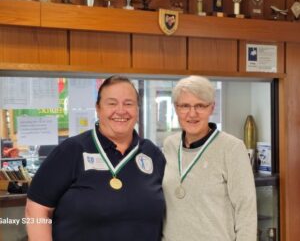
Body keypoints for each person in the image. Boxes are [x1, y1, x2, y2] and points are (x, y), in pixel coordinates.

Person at [25, 75, 166, 241]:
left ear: (137, 109)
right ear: (98, 109)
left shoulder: (152, 154)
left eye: (128, 103)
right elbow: (36, 209)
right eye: (112, 103)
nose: (121, 110)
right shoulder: (71, 151)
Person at [162, 75, 257, 241]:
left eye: (200, 105)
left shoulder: (232, 148)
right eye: (185, 106)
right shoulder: (169, 145)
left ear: (212, 108)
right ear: (176, 108)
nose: (192, 113)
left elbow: (246, 211)